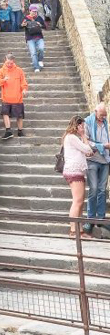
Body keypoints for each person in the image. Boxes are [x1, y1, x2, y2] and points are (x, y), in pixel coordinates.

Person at [62, 115, 94, 239]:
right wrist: (83, 135)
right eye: (81, 125)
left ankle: (79, 231)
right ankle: (73, 231)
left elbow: (89, 151)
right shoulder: (71, 138)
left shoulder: (73, 138)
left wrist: (85, 143)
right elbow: (87, 149)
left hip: (77, 171)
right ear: (76, 125)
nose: (83, 128)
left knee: (80, 202)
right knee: (77, 201)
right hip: (74, 171)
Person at [83, 101, 110, 237]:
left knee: (102, 190)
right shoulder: (87, 122)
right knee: (93, 190)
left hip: (105, 160)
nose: (104, 117)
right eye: (101, 115)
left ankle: (100, 217)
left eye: (105, 115)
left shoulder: (105, 123)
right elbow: (86, 142)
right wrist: (103, 146)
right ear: (95, 111)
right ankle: (90, 219)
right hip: (93, 160)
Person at [0, 53, 28, 139]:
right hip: (6, 97)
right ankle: (8, 131)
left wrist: (24, 89)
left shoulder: (19, 70)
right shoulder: (1, 71)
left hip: (17, 97)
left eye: (11, 63)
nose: (9, 65)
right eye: (8, 63)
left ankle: (20, 131)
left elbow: (23, 82)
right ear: (5, 61)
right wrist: (3, 80)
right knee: (5, 113)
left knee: (19, 116)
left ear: (14, 62)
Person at [22, 4, 46, 73]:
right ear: (29, 11)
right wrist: (23, 24)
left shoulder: (39, 18)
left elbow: (45, 26)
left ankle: (40, 60)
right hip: (30, 38)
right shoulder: (26, 18)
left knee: (41, 49)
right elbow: (20, 26)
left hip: (39, 37)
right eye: (33, 11)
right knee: (33, 53)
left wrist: (40, 24)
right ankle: (36, 67)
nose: (34, 13)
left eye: (35, 11)